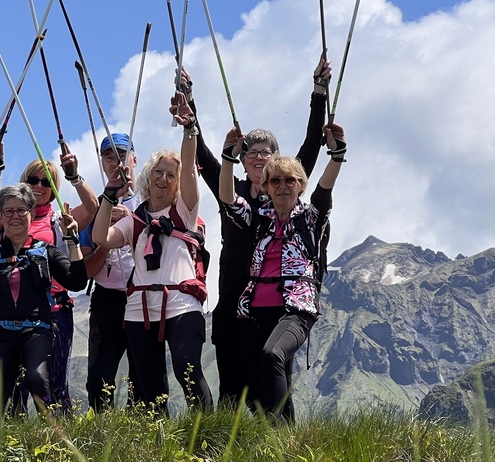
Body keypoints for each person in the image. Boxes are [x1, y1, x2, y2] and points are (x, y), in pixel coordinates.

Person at [190, 56, 331, 405]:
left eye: (266, 153)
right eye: (251, 152)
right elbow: (206, 156)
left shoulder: (285, 186)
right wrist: (189, 107)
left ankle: (277, 442)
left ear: (280, 163)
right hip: (234, 292)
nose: (258, 157)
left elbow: (312, 145)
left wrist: (318, 93)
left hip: (276, 297)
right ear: (242, 158)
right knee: (231, 385)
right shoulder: (232, 190)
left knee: (271, 372)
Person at [92, 92, 212, 415]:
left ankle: (208, 440)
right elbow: (100, 236)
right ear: (148, 174)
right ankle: (156, 446)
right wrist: (108, 195)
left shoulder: (185, 212)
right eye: (158, 172)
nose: (164, 178)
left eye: (170, 174)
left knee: (188, 372)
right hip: (139, 310)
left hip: (180, 304)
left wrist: (189, 132)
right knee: (148, 387)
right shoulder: (137, 220)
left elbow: (189, 170)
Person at [218, 123, 346, 423]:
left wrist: (337, 154)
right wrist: (228, 158)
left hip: (294, 308)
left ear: (300, 184)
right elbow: (227, 199)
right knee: (250, 382)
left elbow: (325, 188)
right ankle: (286, 440)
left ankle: (278, 440)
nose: (282, 186)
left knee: (273, 355)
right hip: (254, 309)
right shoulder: (258, 218)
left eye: (290, 180)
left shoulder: (311, 218)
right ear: (266, 187)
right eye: (275, 181)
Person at [0, 141, 98, 410]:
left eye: (46, 182)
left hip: (55, 309)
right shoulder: (11, 216)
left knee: (55, 382)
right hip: (14, 314)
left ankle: (62, 444)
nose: (38, 186)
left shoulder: (60, 219)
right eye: (33, 180)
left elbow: (92, 208)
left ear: (54, 189)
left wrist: (74, 176)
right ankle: (14, 445)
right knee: (15, 389)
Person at [0, 183, 88, 414]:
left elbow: (77, 281)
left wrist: (71, 240)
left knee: (38, 379)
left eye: (21, 210)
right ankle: (14, 446)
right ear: (1, 215)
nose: (15, 216)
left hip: (36, 331)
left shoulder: (47, 252)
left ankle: (55, 438)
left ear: (31, 213)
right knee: (8, 401)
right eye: (9, 211)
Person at [78, 133, 141, 411]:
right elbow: (85, 271)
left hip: (142, 297)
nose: (116, 162)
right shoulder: (92, 209)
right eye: (109, 156)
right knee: (99, 378)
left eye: (122, 154)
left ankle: (144, 437)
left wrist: (130, 220)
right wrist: (103, 233)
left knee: (144, 375)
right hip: (107, 299)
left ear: (134, 159)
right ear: (102, 163)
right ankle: (102, 435)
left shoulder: (150, 201)